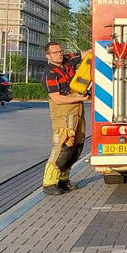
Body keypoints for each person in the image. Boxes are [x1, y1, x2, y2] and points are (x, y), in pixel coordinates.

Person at [42, 42, 91, 195]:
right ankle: (49, 183)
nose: (59, 54)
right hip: (63, 112)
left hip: (77, 109)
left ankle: (63, 179)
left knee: (76, 146)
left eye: (60, 51)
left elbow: (85, 54)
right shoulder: (50, 73)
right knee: (63, 145)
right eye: (55, 52)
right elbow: (57, 98)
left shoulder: (67, 61)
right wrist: (80, 99)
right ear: (48, 56)